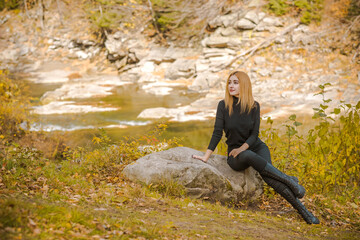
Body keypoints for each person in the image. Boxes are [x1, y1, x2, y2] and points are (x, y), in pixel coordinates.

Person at [192, 71, 319, 224]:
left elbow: (254, 134)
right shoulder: (223, 105)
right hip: (236, 154)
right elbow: (217, 133)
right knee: (247, 155)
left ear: (244, 85)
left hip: (256, 146)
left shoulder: (254, 106)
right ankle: (290, 181)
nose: (231, 86)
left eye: (235, 82)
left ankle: (305, 213)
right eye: (229, 82)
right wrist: (206, 156)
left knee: (269, 178)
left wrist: (243, 147)